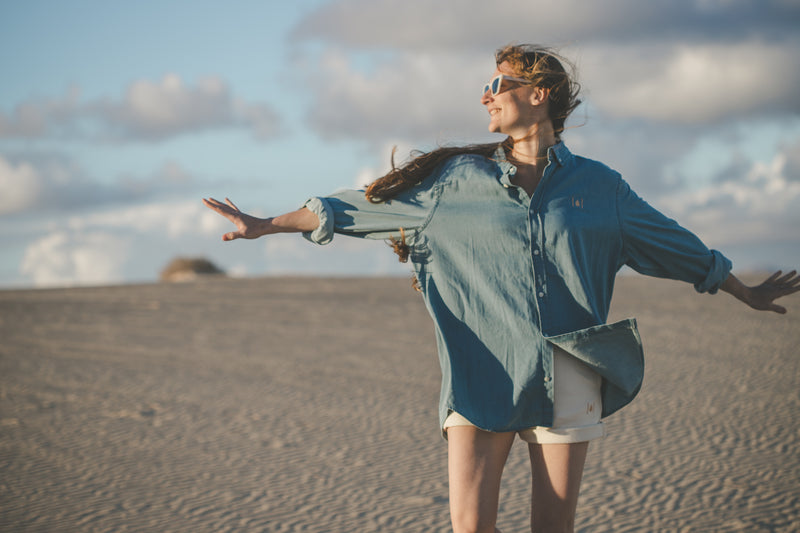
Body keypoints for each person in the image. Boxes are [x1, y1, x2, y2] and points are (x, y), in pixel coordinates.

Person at [203, 44, 799, 533]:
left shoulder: (600, 188)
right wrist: (266, 225)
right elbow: (354, 207)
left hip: (569, 368)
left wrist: (740, 289)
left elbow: (671, 243)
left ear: (538, 95)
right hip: (479, 369)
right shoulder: (453, 181)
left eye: (499, 82)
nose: (485, 94)